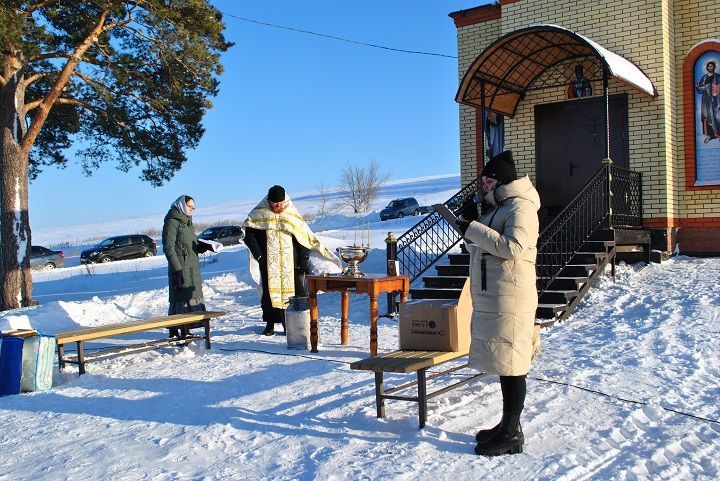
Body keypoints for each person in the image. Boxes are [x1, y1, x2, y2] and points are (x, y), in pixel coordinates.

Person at [455, 150, 540, 456]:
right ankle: (506, 425)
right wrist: (467, 224)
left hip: (512, 298)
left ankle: (513, 433)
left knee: (514, 365)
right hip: (498, 295)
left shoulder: (522, 207)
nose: (485, 184)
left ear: (502, 179)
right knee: (506, 363)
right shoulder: (501, 207)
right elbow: (480, 246)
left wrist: (474, 228)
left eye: (489, 179)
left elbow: (514, 247)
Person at [243, 185, 340, 336]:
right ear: (268, 201)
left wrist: (303, 259)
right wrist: (259, 255)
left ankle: (290, 323)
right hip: (269, 261)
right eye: (275, 204)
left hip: (291, 262)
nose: (278, 206)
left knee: (294, 293)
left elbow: (303, 237)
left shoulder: (291, 213)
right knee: (269, 293)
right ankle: (270, 324)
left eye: (280, 203)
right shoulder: (258, 214)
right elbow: (249, 235)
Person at [162, 195, 211, 337]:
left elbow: (188, 242)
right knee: (180, 299)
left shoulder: (187, 221)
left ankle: (187, 330)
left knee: (191, 297)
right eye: (190, 206)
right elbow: (169, 247)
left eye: (193, 207)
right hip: (180, 267)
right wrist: (177, 269)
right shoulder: (172, 221)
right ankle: (177, 331)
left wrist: (201, 247)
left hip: (191, 266)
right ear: (182, 205)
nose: (192, 209)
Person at [695, 60, 720, 144]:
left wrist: (710, 88)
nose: (710, 68)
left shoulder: (718, 77)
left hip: (716, 100)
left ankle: (718, 134)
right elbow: (700, 89)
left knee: (717, 116)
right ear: (706, 68)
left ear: (714, 67)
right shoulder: (704, 77)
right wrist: (698, 87)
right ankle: (710, 135)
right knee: (707, 116)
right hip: (706, 101)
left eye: (711, 66)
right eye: (708, 66)